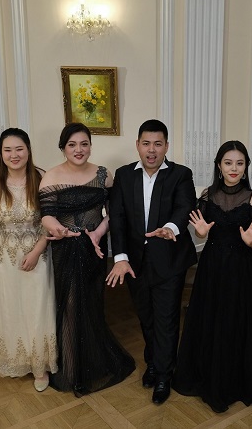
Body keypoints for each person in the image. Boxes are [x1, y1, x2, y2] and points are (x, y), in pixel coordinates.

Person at [173, 140, 252, 413]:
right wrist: (200, 233)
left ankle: (232, 382)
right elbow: (200, 231)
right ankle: (206, 378)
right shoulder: (207, 195)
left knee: (234, 319)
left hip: (240, 267)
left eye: (239, 163)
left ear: (246, 166)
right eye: (228, 163)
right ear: (219, 166)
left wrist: (250, 241)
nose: (234, 168)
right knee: (209, 317)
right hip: (211, 266)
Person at [39, 123, 135, 396]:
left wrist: (99, 232)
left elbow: (114, 213)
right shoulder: (51, 177)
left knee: (92, 302)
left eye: (84, 144)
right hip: (66, 248)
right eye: (72, 145)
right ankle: (72, 368)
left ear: (91, 146)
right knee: (70, 305)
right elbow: (46, 215)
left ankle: (93, 362)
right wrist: (59, 229)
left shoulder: (103, 175)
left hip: (95, 247)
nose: (78, 150)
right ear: (63, 148)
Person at [106, 119, 197, 404]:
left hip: (169, 259)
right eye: (146, 143)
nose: (152, 150)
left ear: (166, 146)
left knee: (166, 319)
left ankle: (164, 376)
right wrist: (120, 257)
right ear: (138, 145)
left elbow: (185, 207)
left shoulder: (181, 174)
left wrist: (170, 227)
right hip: (134, 262)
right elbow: (117, 218)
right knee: (146, 317)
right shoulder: (124, 175)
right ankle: (154, 363)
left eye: (158, 144)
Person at [0, 128, 57, 391]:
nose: (14, 155)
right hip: (2, 255)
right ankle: (12, 358)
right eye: (7, 150)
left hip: (38, 251)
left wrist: (37, 251)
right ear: (1, 153)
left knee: (38, 306)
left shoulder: (42, 177)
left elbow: (50, 220)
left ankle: (39, 365)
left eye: (19, 149)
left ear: (28, 150)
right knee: (8, 305)